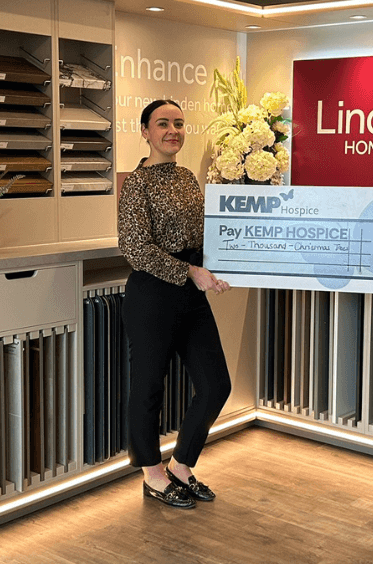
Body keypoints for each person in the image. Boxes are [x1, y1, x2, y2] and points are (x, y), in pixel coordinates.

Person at [118, 99, 232, 509]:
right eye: (162, 123)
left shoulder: (186, 176)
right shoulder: (137, 183)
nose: (173, 130)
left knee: (217, 384)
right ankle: (152, 474)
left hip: (191, 291)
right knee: (148, 387)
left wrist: (222, 263)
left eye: (179, 124)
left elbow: (205, 236)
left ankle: (181, 466)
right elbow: (134, 248)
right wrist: (189, 271)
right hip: (152, 294)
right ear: (145, 132)